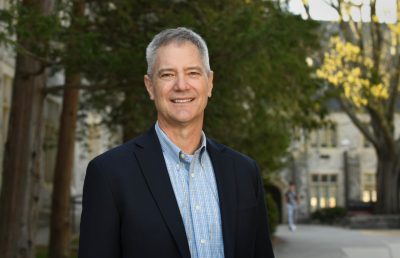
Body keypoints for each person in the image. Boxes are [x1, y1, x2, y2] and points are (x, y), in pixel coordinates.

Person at [78, 27, 275, 258]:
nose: (181, 85)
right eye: (167, 74)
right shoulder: (109, 174)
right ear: (150, 86)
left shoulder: (244, 172)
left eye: (193, 73)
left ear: (209, 83)